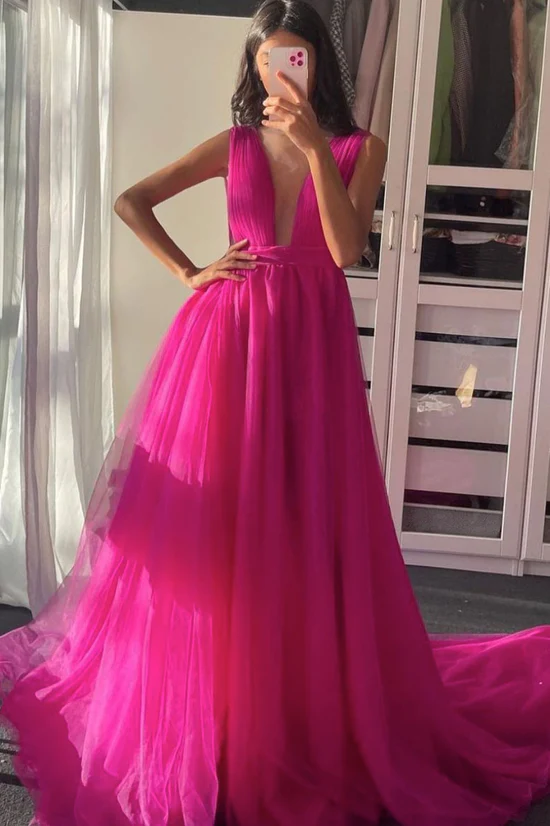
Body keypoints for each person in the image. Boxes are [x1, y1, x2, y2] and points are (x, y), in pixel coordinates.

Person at [2, 1, 550, 825]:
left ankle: (290, 689)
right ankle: (222, 693)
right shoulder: (233, 145)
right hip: (227, 340)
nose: (278, 75)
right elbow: (132, 200)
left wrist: (314, 150)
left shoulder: (363, 147)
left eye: (293, 60)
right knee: (220, 517)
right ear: (253, 66)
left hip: (310, 347)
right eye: (266, 61)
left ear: (318, 65)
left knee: (302, 512)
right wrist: (190, 272)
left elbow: (345, 248)